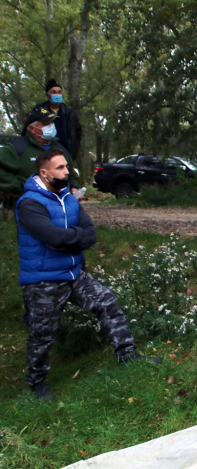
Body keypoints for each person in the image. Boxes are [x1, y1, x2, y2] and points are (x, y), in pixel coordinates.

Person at [16, 149, 159, 401]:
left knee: (107, 302)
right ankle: (35, 383)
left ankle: (127, 355)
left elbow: (89, 234)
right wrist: (71, 238)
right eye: (60, 168)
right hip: (43, 279)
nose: (66, 171)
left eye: (66, 167)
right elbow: (51, 237)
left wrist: (68, 240)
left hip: (73, 273)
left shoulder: (68, 199)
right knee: (43, 333)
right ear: (44, 173)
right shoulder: (29, 203)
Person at [0, 107, 79, 203]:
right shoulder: (17, 148)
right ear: (33, 129)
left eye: (52, 123)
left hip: (58, 204)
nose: (51, 126)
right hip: (27, 204)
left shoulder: (59, 148)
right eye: (46, 124)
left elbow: (71, 172)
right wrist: (18, 187)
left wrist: (74, 186)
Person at [22, 79, 82, 160]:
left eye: (59, 92)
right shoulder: (39, 110)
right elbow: (27, 130)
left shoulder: (70, 112)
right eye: (54, 92)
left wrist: (73, 151)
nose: (57, 94)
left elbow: (77, 133)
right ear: (47, 95)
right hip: (43, 154)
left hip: (65, 153)